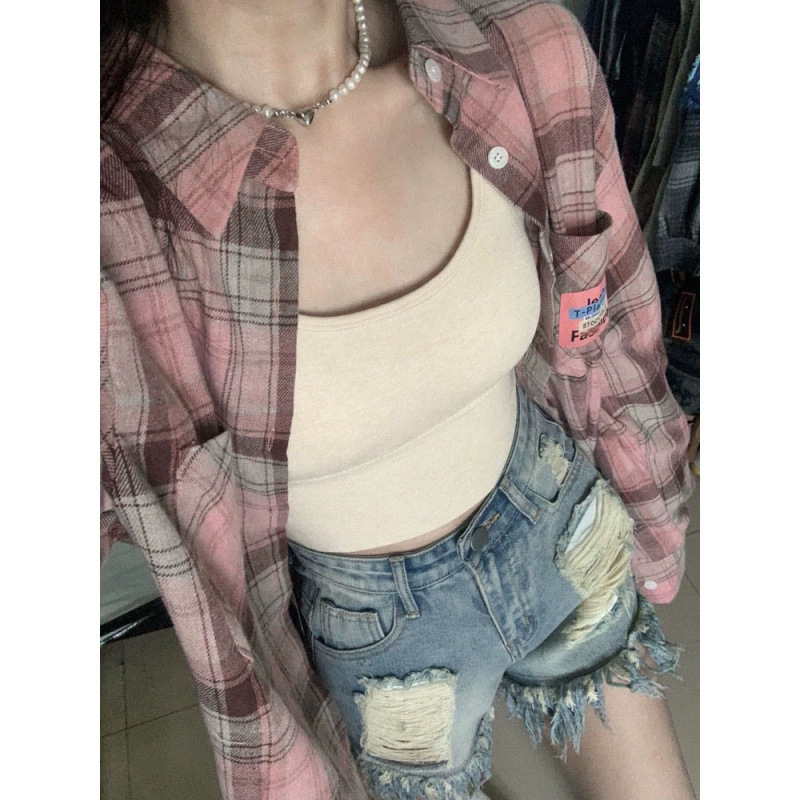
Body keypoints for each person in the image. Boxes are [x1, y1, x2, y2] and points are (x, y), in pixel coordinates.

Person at [100, 1, 696, 799]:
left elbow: (616, 325)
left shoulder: (522, 50)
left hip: (563, 524)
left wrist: (655, 514)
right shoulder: (104, 223)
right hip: (380, 639)